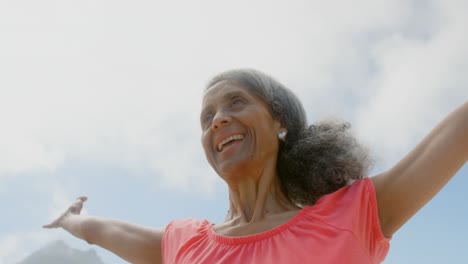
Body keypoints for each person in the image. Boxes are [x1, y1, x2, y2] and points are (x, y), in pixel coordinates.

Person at [44, 69, 467, 264]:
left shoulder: (353, 215)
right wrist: (72, 221)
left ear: (280, 121)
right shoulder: (186, 245)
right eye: (207, 116)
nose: (218, 119)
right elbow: (106, 232)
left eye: (236, 102)